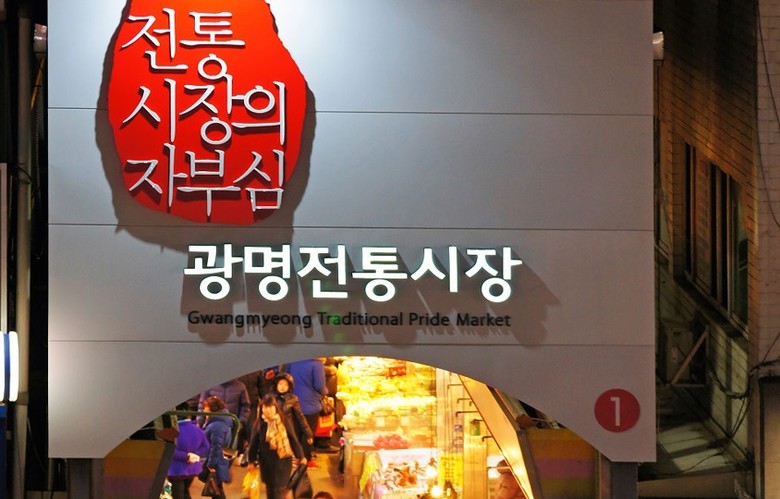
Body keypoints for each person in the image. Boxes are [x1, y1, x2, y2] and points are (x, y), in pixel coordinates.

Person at [247, 393, 306, 499]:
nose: (268, 410)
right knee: (270, 490)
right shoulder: (259, 424)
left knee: (280, 489)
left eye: (270, 407)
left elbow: (292, 439)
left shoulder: (283, 421)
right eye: (265, 407)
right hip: (266, 463)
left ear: (275, 407)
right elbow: (253, 444)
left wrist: (300, 456)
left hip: (283, 462)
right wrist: (251, 461)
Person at [284, 359, 327, 467]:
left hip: (293, 403)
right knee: (308, 433)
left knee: (296, 431)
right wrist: (326, 391)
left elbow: (285, 378)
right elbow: (319, 386)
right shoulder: (316, 364)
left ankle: (296, 457)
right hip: (310, 404)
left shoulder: (292, 361)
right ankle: (305, 460)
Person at [166, 402, 209, 499]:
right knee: (185, 491)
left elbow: (169, 449)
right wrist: (195, 455)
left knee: (177, 495)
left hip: (175, 470)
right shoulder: (197, 429)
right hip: (192, 469)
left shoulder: (172, 431)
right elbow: (206, 446)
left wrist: (186, 456)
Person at [197, 378, 251, 453]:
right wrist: (199, 422)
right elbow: (201, 405)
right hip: (212, 426)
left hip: (232, 427)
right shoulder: (209, 386)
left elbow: (245, 407)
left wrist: (240, 422)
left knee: (228, 453)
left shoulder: (240, 387)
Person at [272, 372, 314, 462]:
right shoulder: (270, 398)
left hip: (287, 432)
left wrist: (308, 434)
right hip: (273, 432)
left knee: (287, 458)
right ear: (276, 384)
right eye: (280, 384)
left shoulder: (293, 399)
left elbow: (300, 417)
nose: (282, 387)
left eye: (286, 385)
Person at [202, 396, 234, 499]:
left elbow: (216, 447)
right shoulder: (221, 421)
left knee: (216, 490)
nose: (204, 411)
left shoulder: (217, 425)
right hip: (220, 460)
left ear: (212, 409)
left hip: (217, 462)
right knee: (216, 489)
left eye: (206, 408)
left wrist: (211, 464)